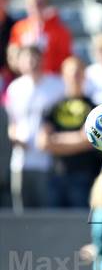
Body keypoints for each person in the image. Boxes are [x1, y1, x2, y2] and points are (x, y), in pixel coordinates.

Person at [5, 46, 64, 212]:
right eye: (27, 58)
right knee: (22, 212)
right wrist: (14, 137)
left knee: (48, 210)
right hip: (20, 160)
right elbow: (12, 122)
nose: (32, 63)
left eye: (36, 58)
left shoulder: (57, 86)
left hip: (48, 160)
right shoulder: (15, 88)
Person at [37, 56, 100, 207]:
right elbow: (43, 143)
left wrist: (56, 141)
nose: (75, 78)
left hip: (84, 176)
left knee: (79, 225)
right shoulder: (52, 107)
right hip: (56, 175)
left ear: (85, 76)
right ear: (63, 76)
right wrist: (78, 138)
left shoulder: (95, 109)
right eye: (71, 74)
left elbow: (90, 141)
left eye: (78, 73)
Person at [9, 0, 72, 75]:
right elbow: (13, 57)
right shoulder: (19, 28)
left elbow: (65, 59)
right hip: (26, 78)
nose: (36, 6)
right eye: (32, 2)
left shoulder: (59, 30)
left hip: (50, 79)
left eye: (40, 2)